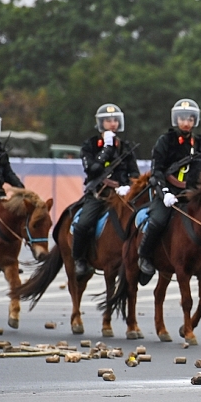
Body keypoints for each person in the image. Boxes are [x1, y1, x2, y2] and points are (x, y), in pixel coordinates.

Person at [138, 98, 201, 284]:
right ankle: (145, 256)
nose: (186, 123)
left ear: (195, 121)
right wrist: (165, 193)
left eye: (190, 119)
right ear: (175, 120)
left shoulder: (200, 144)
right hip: (168, 194)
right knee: (158, 221)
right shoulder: (165, 141)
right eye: (182, 119)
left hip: (191, 194)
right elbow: (156, 172)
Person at [71, 104, 140, 278]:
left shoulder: (125, 146)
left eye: (115, 120)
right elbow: (92, 170)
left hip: (122, 195)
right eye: (108, 120)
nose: (113, 123)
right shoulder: (90, 145)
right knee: (83, 224)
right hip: (99, 194)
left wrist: (128, 186)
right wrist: (106, 149)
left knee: (143, 221)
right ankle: (79, 259)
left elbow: (134, 172)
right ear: (101, 123)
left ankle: (142, 259)